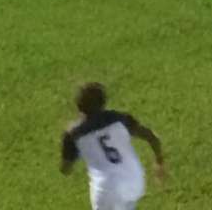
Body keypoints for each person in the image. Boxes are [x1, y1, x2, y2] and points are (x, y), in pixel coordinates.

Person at [60, 82, 165, 210]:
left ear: (78, 106)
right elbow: (151, 137)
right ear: (103, 101)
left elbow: (66, 169)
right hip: (134, 180)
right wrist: (159, 161)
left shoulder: (73, 134)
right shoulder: (120, 118)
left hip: (106, 190)